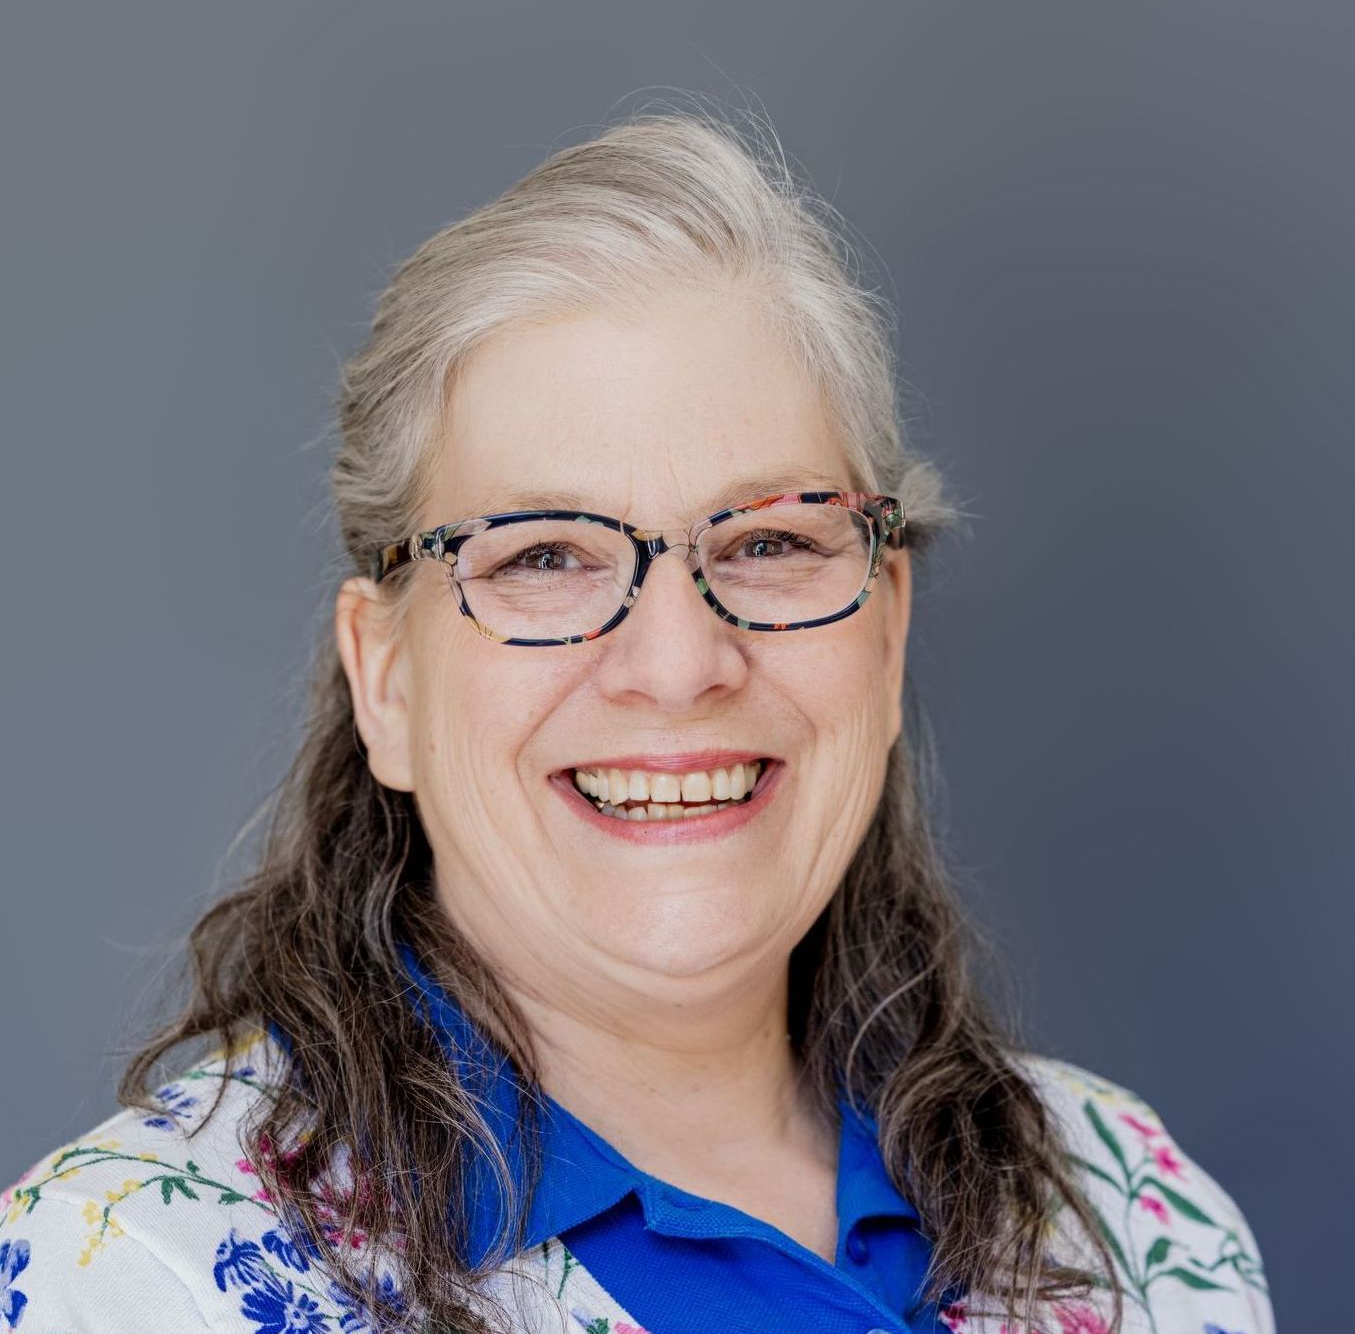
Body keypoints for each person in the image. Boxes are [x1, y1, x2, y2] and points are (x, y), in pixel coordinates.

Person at [0, 106, 1274, 1334]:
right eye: (543, 555)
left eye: (771, 539)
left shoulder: (1127, 1213)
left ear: (884, 633)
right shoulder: (134, 1282)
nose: (676, 664)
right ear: (385, 677)